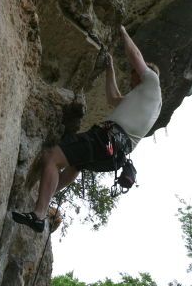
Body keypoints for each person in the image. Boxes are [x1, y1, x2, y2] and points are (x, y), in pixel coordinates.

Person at [12, 25, 162, 232]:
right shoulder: (145, 101)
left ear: (144, 74)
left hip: (105, 139)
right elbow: (113, 99)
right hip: (114, 155)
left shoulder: (152, 82)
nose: (132, 77)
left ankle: (39, 214)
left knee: (52, 157)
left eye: (134, 74)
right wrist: (110, 69)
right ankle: (43, 199)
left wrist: (122, 31)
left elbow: (135, 54)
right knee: (75, 165)